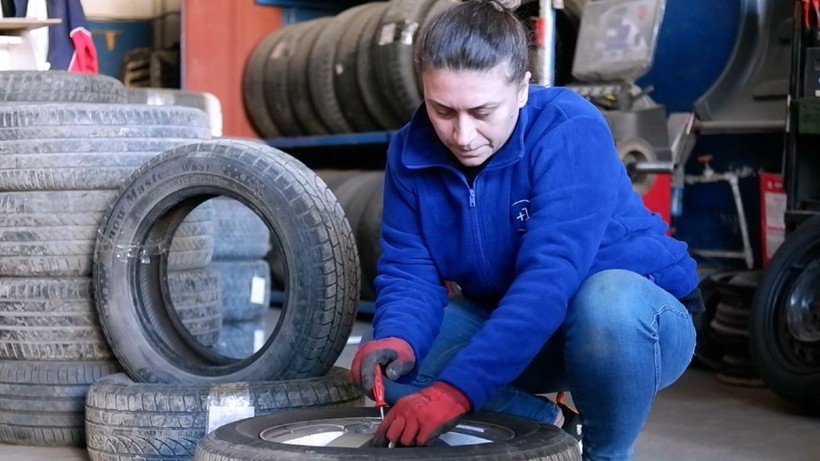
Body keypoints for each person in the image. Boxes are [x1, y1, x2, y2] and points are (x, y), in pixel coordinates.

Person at [349, 0, 701, 459]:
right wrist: (397, 335)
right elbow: (409, 269)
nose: (462, 135)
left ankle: (605, 454)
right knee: (398, 374)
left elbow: (549, 277)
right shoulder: (409, 152)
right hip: (517, 323)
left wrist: (457, 392)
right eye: (442, 110)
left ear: (522, 89)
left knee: (606, 300)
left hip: (634, 326)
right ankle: (555, 431)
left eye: (482, 111)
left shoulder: (569, 128)